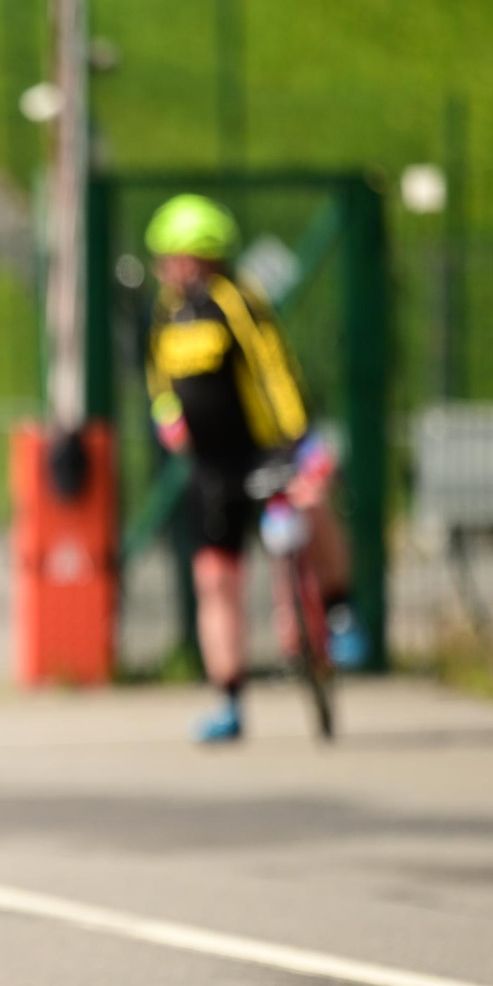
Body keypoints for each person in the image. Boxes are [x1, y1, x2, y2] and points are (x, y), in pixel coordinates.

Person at [142, 193, 360, 746]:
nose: (164, 267)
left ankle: (339, 611)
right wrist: (167, 418)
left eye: (169, 256)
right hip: (210, 470)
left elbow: (273, 370)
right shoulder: (168, 310)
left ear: (195, 256)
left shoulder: (236, 301)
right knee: (216, 580)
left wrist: (301, 443)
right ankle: (229, 700)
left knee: (313, 503)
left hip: (266, 453)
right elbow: (159, 380)